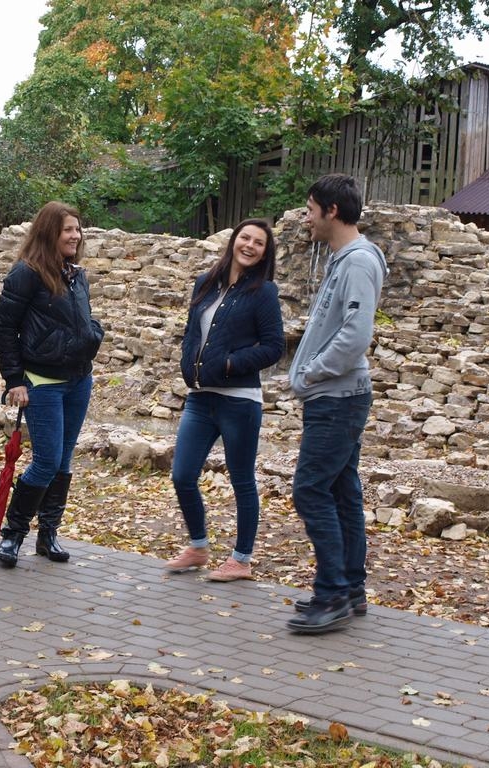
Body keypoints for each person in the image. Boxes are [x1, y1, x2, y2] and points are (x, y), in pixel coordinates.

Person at [286, 174, 388, 634]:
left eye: (311, 209)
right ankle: (350, 588)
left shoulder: (358, 262)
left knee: (310, 490)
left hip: (337, 397)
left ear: (331, 210)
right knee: (342, 491)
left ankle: (332, 595)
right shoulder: (344, 260)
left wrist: (311, 372)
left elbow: (355, 335)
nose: (306, 218)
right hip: (335, 395)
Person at [165, 219, 284, 581]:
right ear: (234, 240)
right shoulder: (205, 282)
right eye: (245, 237)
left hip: (239, 400)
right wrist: (188, 364)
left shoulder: (264, 292)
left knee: (242, 479)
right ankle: (198, 547)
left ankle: (241, 560)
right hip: (200, 398)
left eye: (258, 243)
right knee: (182, 474)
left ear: (265, 253)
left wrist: (230, 364)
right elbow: (192, 332)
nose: (250, 245)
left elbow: (274, 347)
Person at [0, 201, 104, 568]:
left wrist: (93, 334)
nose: (75, 235)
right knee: (47, 461)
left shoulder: (76, 274)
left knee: (64, 461)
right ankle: (13, 534)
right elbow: (4, 327)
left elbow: (81, 319)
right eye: (67, 229)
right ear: (48, 232)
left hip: (78, 380)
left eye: (77, 229)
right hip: (42, 383)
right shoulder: (26, 273)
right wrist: (14, 380)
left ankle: (48, 534)